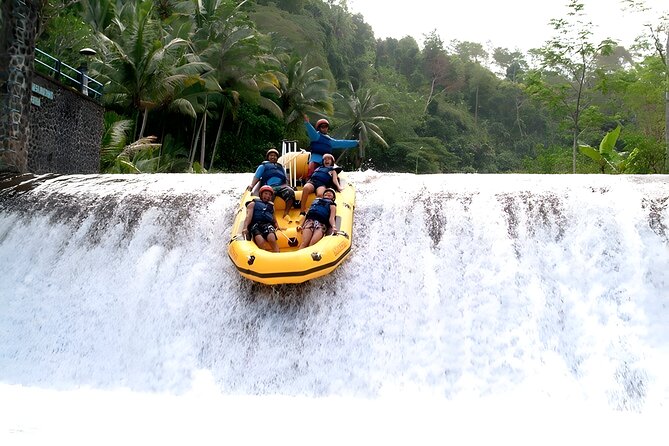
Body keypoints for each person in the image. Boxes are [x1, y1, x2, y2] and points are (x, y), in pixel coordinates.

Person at [247, 148, 295, 221]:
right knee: (269, 194)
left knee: (290, 192)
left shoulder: (281, 167)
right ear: (268, 157)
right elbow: (257, 177)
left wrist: (289, 186)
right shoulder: (263, 166)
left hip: (281, 186)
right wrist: (251, 185)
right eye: (271, 155)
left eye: (275, 156)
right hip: (269, 186)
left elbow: (285, 179)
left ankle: (286, 213)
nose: (273, 157)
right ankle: (268, 214)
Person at [304, 114, 358, 179]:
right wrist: (307, 123)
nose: (324, 128)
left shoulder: (330, 141)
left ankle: (334, 182)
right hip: (316, 157)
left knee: (334, 168)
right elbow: (311, 131)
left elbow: (342, 143)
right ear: (319, 128)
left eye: (326, 126)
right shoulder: (315, 137)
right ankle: (310, 180)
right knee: (312, 165)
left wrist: (356, 143)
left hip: (326, 158)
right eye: (322, 127)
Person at [242, 185, 281, 253]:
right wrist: (245, 228)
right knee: (260, 240)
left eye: (269, 195)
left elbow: (274, 220)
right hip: (255, 225)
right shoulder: (252, 204)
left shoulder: (271, 206)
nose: (268, 196)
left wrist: (277, 226)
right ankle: (264, 256)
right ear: (261, 194)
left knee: (271, 237)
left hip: (267, 224)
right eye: (265, 193)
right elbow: (248, 217)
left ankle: (277, 253)